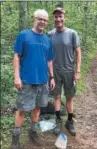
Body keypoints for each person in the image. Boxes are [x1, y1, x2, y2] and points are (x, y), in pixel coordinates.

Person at [11, 9, 55, 149]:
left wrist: (52, 77)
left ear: (47, 22)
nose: (42, 21)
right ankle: (15, 138)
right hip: (26, 81)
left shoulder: (48, 40)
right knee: (22, 109)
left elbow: (49, 61)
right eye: (39, 18)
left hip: (43, 81)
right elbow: (17, 56)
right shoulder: (24, 35)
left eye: (45, 20)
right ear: (34, 19)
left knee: (37, 108)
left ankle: (33, 131)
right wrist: (17, 76)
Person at [48, 7, 81, 136]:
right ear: (54, 19)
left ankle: (70, 121)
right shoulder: (50, 34)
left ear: (64, 18)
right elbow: (48, 55)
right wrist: (49, 74)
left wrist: (77, 71)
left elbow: (78, 52)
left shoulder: (72, 33)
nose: (58, 19)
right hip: (55, 71)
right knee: (56, 96)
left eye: (60, 16)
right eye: (56, 17)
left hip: (69, 71)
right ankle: (57, 121)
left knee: (69, 97)